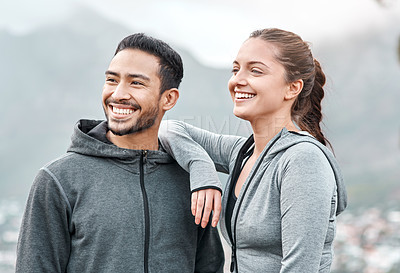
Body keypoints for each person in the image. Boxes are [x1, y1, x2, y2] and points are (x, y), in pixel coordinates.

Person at [16, 33, 225, 273]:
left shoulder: (191, 183)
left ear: (168, 98)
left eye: (136, 83)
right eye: (112, 80)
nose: (118, 94)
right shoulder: (58, 180)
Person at [159, 28, 347, 272]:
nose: (238, 80)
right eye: (236, 69)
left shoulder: (302, 160)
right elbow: (168, 129)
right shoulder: (242, 152)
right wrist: (202, 170)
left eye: (255, 70)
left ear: (292, 88)